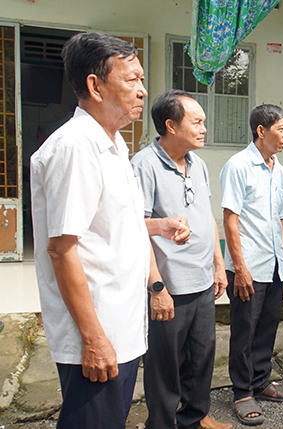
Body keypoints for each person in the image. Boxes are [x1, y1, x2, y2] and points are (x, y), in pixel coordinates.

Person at [30, 33, 189, 429]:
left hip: (120, 323)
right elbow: (62, 249)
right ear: (95, 86)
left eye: (141, 79)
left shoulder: (113, 144)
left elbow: (106, 224)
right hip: (98, 329)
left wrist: (157, 226)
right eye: (132, 79)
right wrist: (93, 338)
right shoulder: (75, 147)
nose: (143, 90)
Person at [131, 90, 232, 429]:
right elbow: (136, 227)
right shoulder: (144, 165)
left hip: (202, 280)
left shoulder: (197, 163)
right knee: (165, 365)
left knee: (202, 355)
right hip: (170, 284)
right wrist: (156, 286)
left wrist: (218, 265)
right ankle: (160, 423)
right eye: (197, 122)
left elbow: (207, 216)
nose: (204, 128)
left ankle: (195, 417)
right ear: (171, 125)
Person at [220, 104, 283, 426]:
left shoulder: (279, 169)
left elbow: (281, 218)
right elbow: (230, 219)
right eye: (281, 129)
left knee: (267, 327)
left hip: (274, 264)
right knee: (244, 331)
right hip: (248, 266)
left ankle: (260, 381)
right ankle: (242, 392)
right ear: (261, 131)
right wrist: (239, 268)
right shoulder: (238, 166)